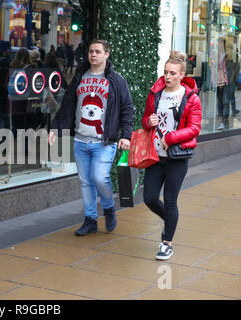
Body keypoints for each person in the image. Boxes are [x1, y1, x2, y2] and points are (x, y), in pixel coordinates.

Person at [48, 39, 134, 236]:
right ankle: (90, 220)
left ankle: (109, 207)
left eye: (97, 51)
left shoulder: (116, 80)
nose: (93, 55)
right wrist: (55, 129)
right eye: (90, 52)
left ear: (106, 54)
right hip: (80, 140)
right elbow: (68, 104)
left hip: (104, 142)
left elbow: (127, 109)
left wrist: (126, 136)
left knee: (99, 177)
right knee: (86, 182)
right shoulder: (80, 77)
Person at [141, 50, 202, 260]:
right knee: (149, 197)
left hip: (177, 156)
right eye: (166, 72)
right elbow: (145, 120)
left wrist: (171, 138)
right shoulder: (156, 93)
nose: (167, 77)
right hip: (155, 156)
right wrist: (148, 122)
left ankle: (167, 242)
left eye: (173, 73)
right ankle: (170, 222)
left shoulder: (191, 98)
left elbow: (194, 128)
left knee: (170, 200)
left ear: (182, 75)